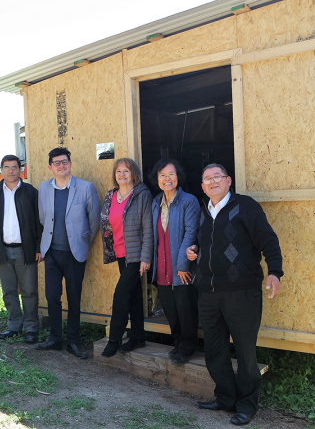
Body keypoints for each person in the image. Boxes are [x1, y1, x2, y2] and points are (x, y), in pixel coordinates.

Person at [187, 163, 283, 426]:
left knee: (245, 352)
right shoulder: (205, 211)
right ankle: (225, 398)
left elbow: (268, 241)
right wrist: (195, 250)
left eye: (217, 177)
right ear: (203, 186)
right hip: (208, 293)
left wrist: (275, 272)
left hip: (242, 293)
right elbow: (206, 242)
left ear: (228, 181)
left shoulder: (246, 207)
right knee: (214, 351)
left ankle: (247, 405)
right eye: (207, 179)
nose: (213, 182)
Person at [35, 147, 100, 359]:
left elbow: (94, 221)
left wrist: (82, 243)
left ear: (70, 164)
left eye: (64, 162)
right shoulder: (44, 188)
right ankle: (55, 338)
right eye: (57, 163)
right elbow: (43, 218)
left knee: (74, 297)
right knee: (52, 296)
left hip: (75, 253)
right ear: (50, 167)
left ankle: (73, 341)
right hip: (52, 252)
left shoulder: (85, 188)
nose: (61, 166)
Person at [0, 155, 42, 344]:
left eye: (14, 167)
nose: (11, 171)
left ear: (21, 169)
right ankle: (14, 326)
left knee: (30, 291)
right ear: (1, 170)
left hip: (26, 250)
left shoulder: (31, 192)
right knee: (9, 291)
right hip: (1, 251)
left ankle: (31, 328)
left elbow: (41, 222)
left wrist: (38, 247)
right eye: (7, 167)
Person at [100, 158, 153, 358]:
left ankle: (114, 339)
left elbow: (148, 228)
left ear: (134, 174)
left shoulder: (141, 194)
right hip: (120, 253)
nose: (122, 175)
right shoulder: (112, 196)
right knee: (133, 295)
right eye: (119, 171)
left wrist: (145, 258)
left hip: (136, 255)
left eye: (126, 171)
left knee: (120, 294)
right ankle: (138, 336)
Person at [149, 158, 200, 364]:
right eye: (162, 175)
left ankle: (187, 346)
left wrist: (182, 265)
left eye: (171, 174)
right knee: (170, 307)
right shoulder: (155, 203)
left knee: (185, 306)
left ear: (178, 177)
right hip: (161, 265)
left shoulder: (189, 201)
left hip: (181, 266)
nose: (167, 179)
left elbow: (191, 234)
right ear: (157, 179)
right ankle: (177, 342)